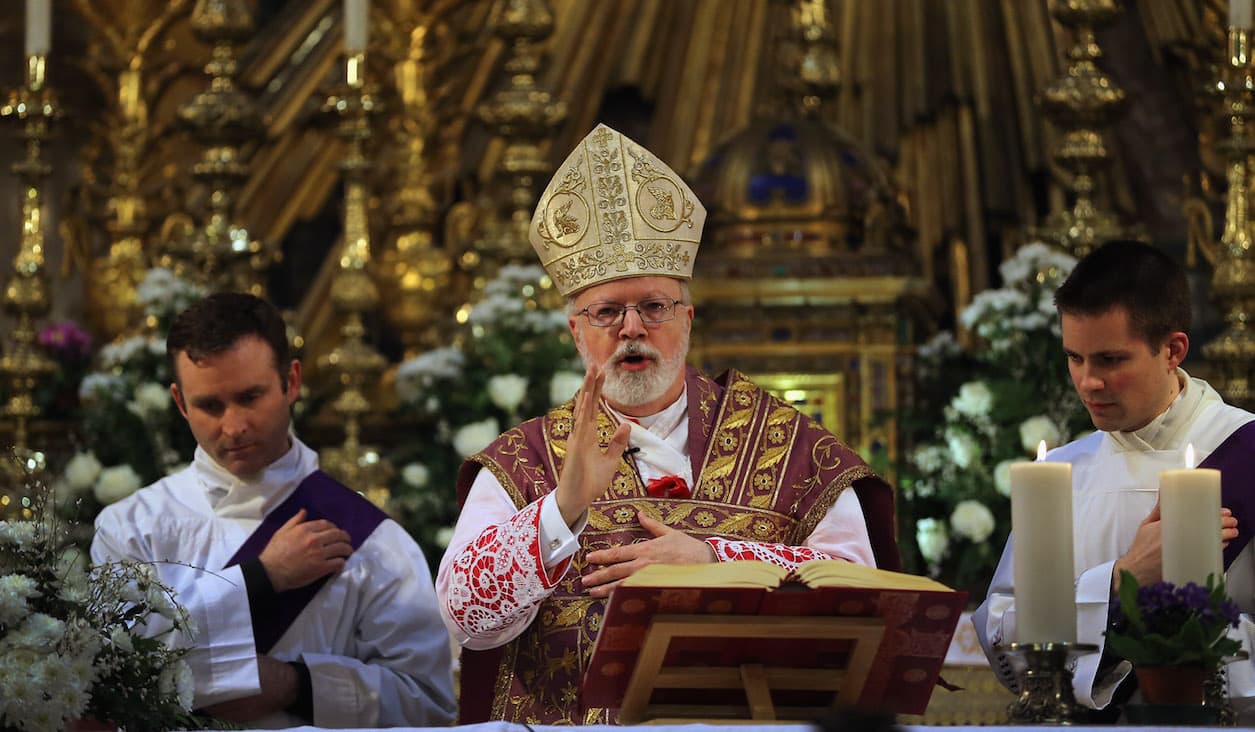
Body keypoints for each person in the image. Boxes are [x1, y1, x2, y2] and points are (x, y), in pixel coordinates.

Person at [436, 124, 899, 724]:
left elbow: (866, 598)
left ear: (687, 319)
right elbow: (465, 617)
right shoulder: (521, 459)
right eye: (606, 311)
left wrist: (717, 563)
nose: (632, 328)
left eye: (654, 307)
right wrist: (564, 505)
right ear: (576, 331)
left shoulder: (791, 445)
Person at [92, 293, 456, 728]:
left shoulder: (373, 540)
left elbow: (428, 705)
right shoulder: (132, 527)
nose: (234, 426)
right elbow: (112, 669)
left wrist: (296, 684)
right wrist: (259, 579)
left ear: (292, 381)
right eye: (210, 405)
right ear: (180, 402)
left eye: (250, 397)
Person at [972, 240, 1255, 719]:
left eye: (1110, 360)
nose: (1087, 382)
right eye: (1074, 358)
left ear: (1173, 350)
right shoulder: (1060, 472)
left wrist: (1180, 661)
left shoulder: (1244, 453)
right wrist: (1123, 578)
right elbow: (1005, 643)